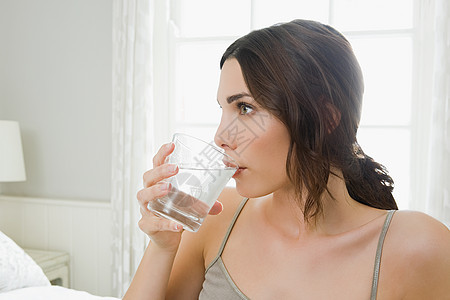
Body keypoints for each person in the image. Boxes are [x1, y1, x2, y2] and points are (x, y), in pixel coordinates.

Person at [123, 19, 450, 299]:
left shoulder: (419, 247)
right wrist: (163, 246)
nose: (221, 136)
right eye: (223, 110)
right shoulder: (214, 218)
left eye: (245, 108)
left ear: (325, 117)